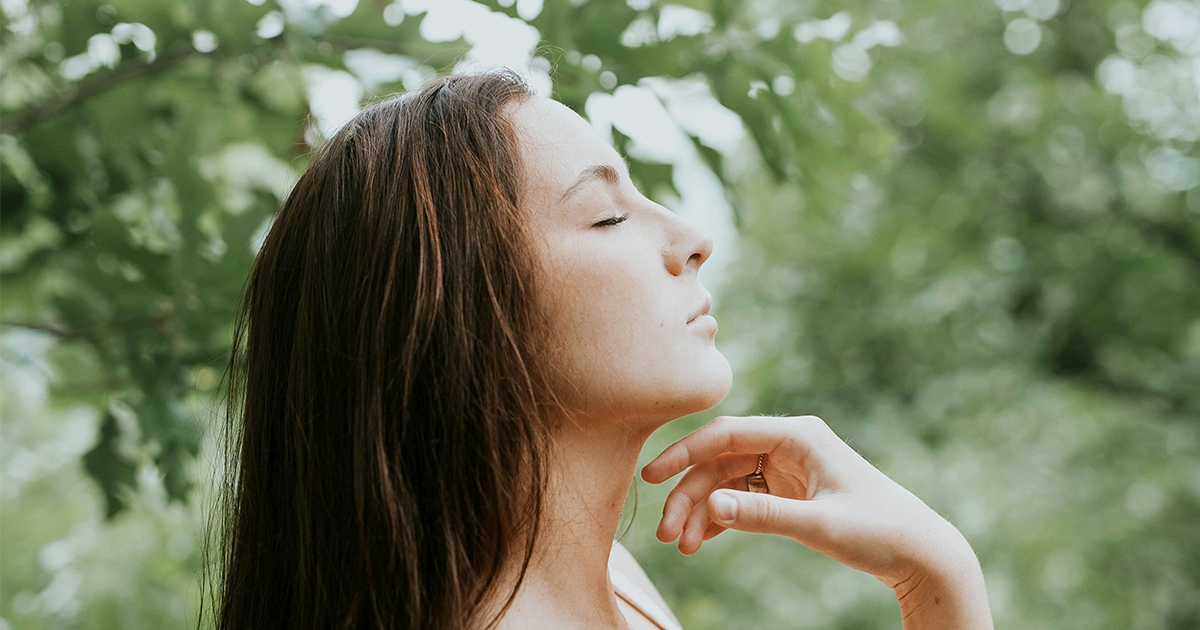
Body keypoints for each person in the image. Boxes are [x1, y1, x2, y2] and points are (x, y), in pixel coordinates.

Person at [205, 69, 993, 630]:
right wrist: (935, 581)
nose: (692, 240)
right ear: (458, 313)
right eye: (608, 216)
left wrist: (933, 572)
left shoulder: (611, 584)